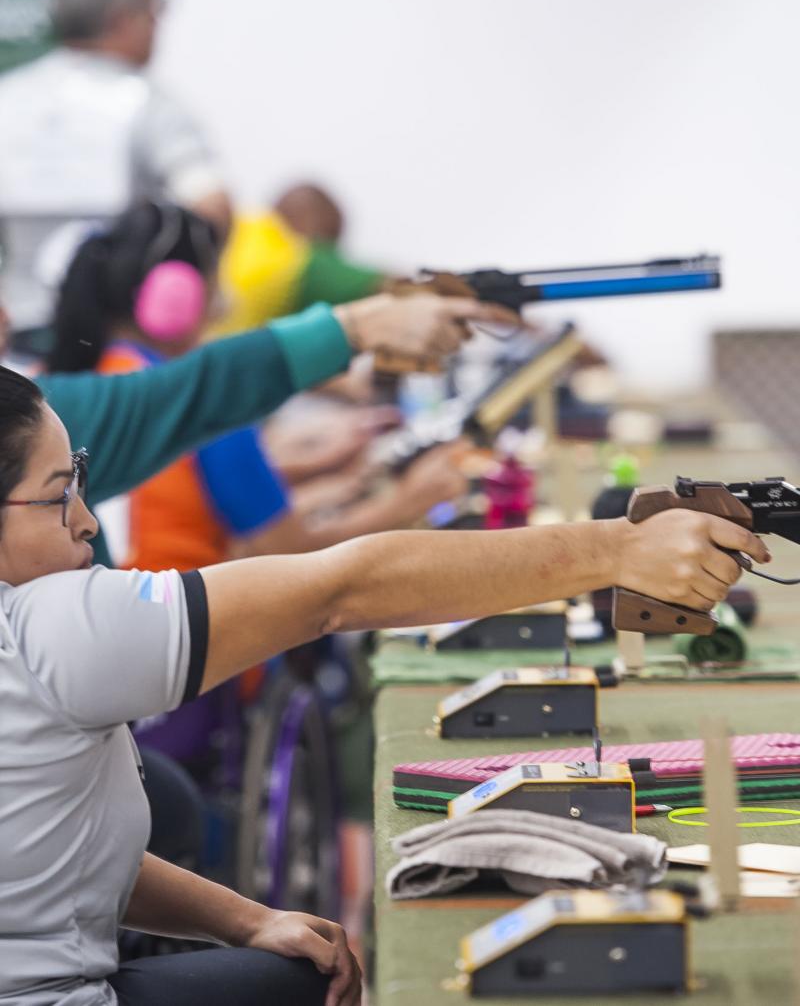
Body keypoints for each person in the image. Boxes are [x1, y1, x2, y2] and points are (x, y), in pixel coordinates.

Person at [0, 363, 765, 1004]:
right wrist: (618, 550)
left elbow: (58, 855)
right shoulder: (52, 628)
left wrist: (246, 920)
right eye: (58, 491)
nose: (89, 520)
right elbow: (344, 589)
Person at [48, 202, 468, 569]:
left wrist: (322, 469)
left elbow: (196, 499)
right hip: (202, 649)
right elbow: (289, 552)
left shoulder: (108, 380)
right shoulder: (200, 403)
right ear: (178, 298)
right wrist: (412, 499)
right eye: (216, 280)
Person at [0, 0, 231, 355]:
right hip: (119, 356)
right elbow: (214, 207)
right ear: (123, 18)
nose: (157, 24)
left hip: (18, 350)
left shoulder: (8, 98)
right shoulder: (150, 105)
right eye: (154, 8)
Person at [218, 183, 384, 335]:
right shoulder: (290, 257)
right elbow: (385, 286)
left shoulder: (242, 226)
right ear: (312, 222)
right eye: (328, 244)